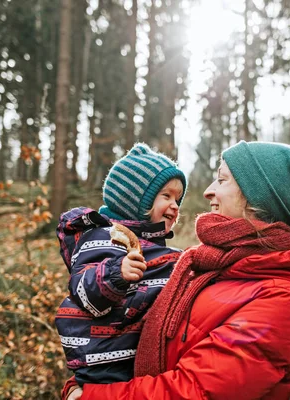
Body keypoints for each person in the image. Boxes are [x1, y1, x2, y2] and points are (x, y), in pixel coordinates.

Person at [63, 140, 290, 400]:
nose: (208, 191)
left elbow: (193, 392)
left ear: (256, 198)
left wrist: (89, 396)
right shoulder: (208, 262)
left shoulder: (278, 300)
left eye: (222, 180)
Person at [55, 143, 187, 388]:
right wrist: (116, 273)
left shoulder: (150, 246)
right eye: (166, 196)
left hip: (132, 359)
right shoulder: (103, 237)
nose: (175, 206)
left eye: (178, 199)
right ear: (134, 200)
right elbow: (83, 289)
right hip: (103, 361)